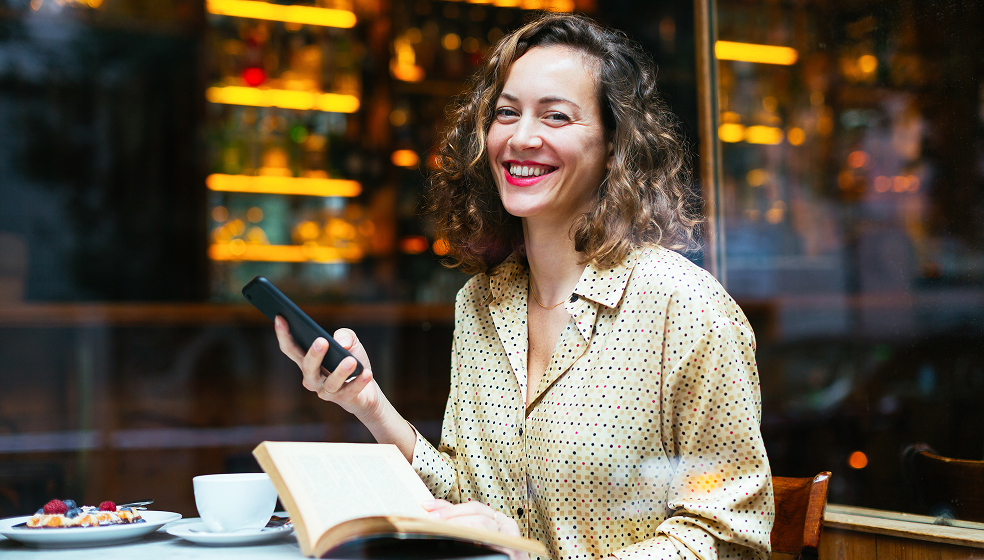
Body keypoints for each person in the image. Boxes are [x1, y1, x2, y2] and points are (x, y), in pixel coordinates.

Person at [275, 12, 774, 560]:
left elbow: (730, 538)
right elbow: (471, 502)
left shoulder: (684, 305)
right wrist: (368, 404)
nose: (522, 137)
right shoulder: (482, 303)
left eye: (556, 117)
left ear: (615, 144)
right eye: (507, 114)